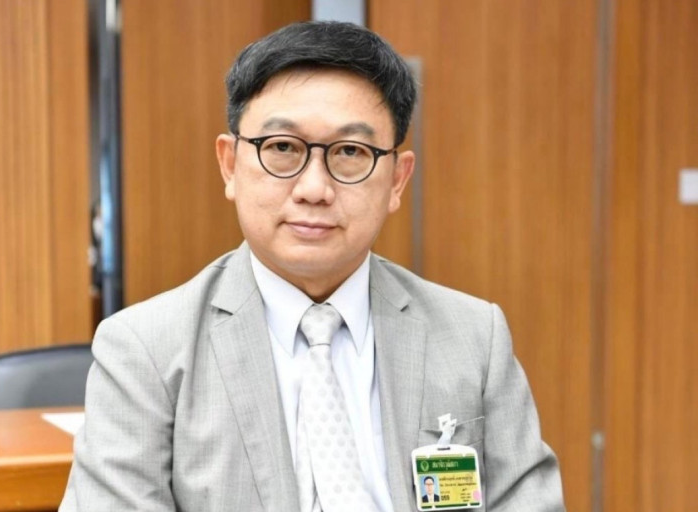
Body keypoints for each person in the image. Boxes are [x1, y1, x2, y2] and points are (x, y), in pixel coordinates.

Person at [60, 21, 565, 512]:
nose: (314, 189)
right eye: (282, 148)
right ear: (230, 164)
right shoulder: (144, 350)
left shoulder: (474, 338)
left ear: (397, 180)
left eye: (350, 152)